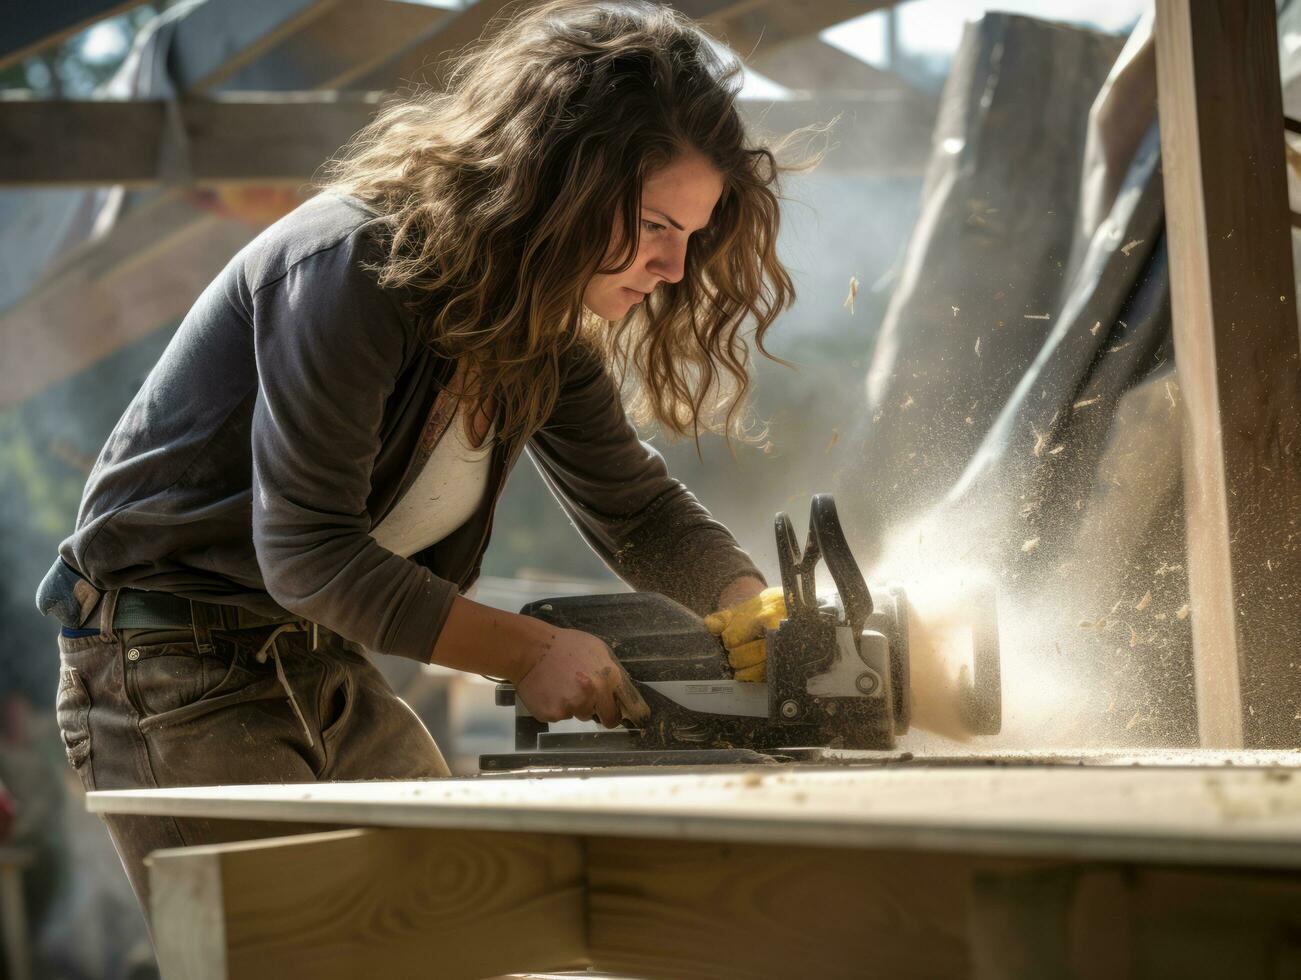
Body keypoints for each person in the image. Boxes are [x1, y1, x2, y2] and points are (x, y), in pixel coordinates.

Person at [36, 0, 796, 923]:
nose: (672, 269)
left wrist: (744, 604)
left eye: (689, 233)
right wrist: (529, 651)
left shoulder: (542, 324)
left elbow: (638, 512)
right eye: (651, 226)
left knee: (455, 926)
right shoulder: (351, 265)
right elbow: (309, 554)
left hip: (317, 651)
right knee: (296, 945)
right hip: (162, 658)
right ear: (558, 180)